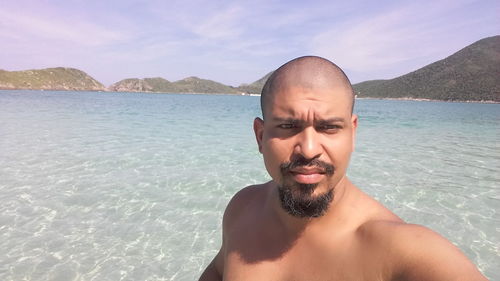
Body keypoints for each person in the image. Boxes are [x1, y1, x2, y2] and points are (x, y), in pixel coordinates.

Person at [199, 56, 487, 280]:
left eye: (328, 128)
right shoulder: (242, 209)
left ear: (352, 133)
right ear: (261, 136)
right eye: (288, 127)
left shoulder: (401, 249)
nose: (309, 149)